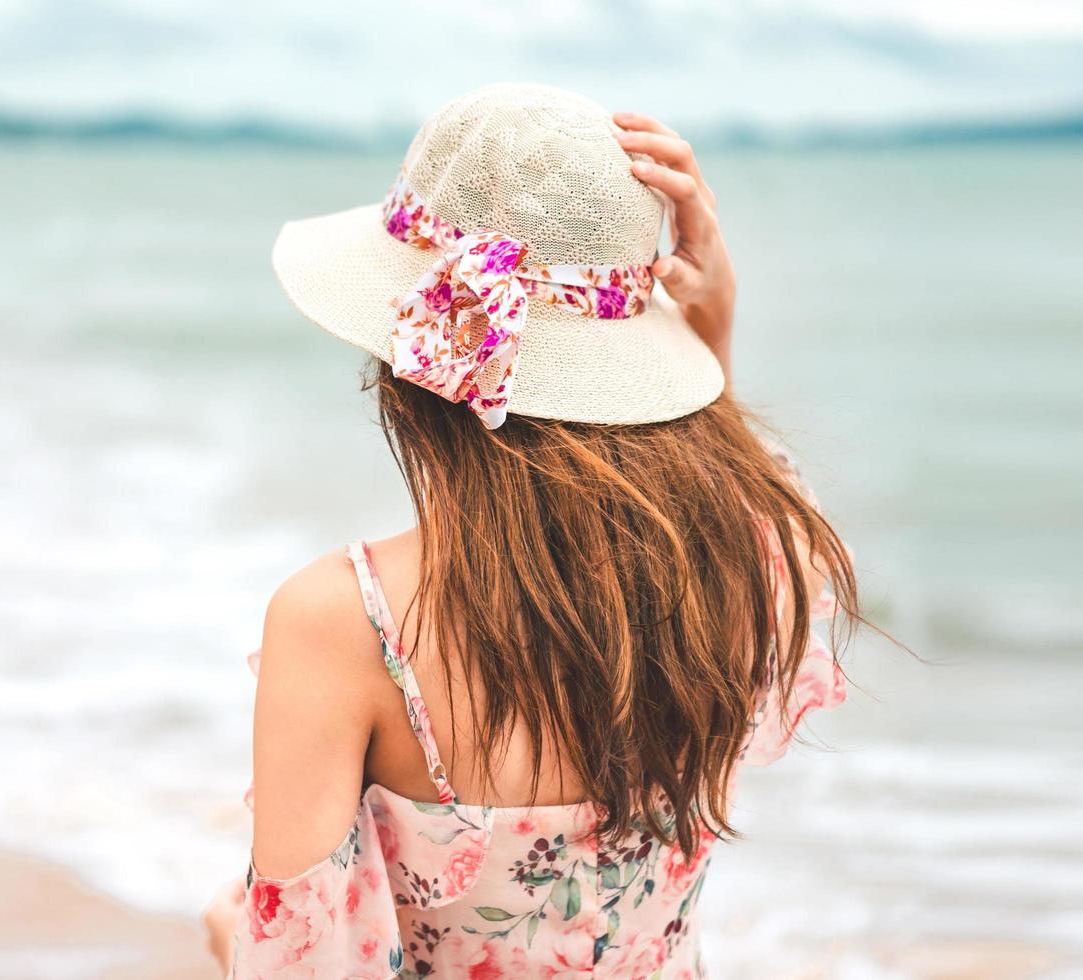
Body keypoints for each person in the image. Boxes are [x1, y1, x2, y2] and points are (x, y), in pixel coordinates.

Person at [203, 84, 861, 978]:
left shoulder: (349, 623)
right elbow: (741, 490)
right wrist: (712, 337)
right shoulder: (746, 565)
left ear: (413, 357)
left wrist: (234, 944)